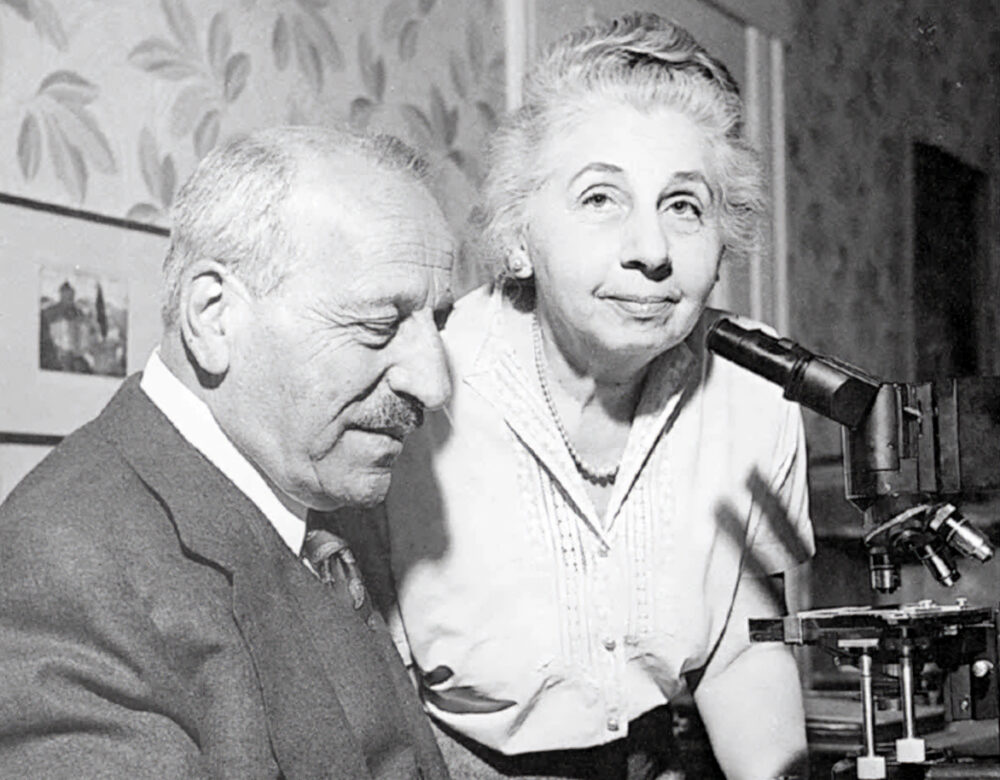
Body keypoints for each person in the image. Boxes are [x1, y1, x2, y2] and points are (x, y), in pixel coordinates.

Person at [340, 13, 815, 780]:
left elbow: (738, 653)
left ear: (722, 245)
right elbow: (358, 687)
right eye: (601, 199)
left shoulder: (755, 392)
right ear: (519, 238)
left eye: (684, 206)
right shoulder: (415, 388)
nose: (652, 250)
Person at [0, 126, 456, 778]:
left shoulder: (306, 484)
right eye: (380, 325)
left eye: (436, 324)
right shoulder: (66, 564)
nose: (435, 384)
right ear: (214, 317)